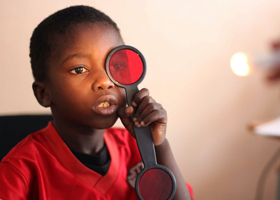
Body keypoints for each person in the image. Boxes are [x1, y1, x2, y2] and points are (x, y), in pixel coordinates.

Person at [0, 5, 193, 200]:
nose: (105, 81)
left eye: (116, 65)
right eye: (79, 70)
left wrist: (159, 146)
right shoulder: (20, 172)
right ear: (43, 94)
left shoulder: (134, 148)